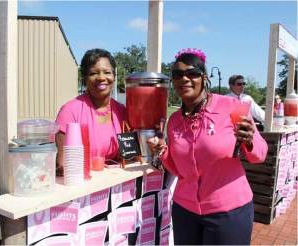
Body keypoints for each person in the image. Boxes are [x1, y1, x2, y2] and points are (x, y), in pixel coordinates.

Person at [148, 48, 268, 245]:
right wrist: (163, 152)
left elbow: (260, 154)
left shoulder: (230, 106)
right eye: (178, 75)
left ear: (204, 78)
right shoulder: (175, 120)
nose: (184, 79)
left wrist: (250, 140)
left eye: (192, 73)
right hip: (185, 210)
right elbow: (180, 170)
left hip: (228, 211)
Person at [55, 48, 126, 175]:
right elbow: (63, 165)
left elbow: (130, 155)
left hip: (117, 186)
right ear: (85, 78)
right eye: (93, 73)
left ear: (114, 76)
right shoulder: (70, 111)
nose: (101, 78)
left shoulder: (122, 111)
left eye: (107, 72)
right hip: (84, 186)